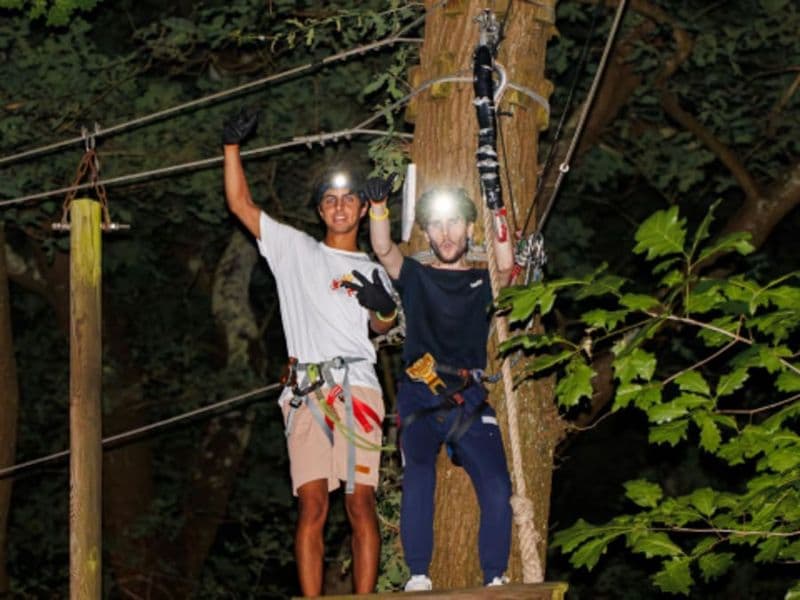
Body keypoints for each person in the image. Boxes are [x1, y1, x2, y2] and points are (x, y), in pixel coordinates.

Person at [222, 108, 397, 597]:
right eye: (329, 200)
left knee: (360, 503)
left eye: (349, 199)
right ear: (320, 210)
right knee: (313, 505)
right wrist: (231, 147)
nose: (339, 207)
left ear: (364, 209)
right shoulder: (296, 251)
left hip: (359, 389)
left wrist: (382, 306)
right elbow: (240, 204)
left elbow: (382, 325)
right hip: (308, 392)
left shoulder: (373, 266)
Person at [363, 179, 514, 591]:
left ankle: (496, 575)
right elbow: (384, 249)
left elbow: (508, 269)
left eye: (454, 224)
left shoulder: (486, 283)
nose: (445, 233)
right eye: (436, 225)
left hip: (469, 397)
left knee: (498, 486)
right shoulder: (415, 276)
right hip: (419, 394)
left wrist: (497, 209)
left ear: (469, 229)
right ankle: (417, 573)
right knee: (418, 477)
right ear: (426, 233)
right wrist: (379, 206)